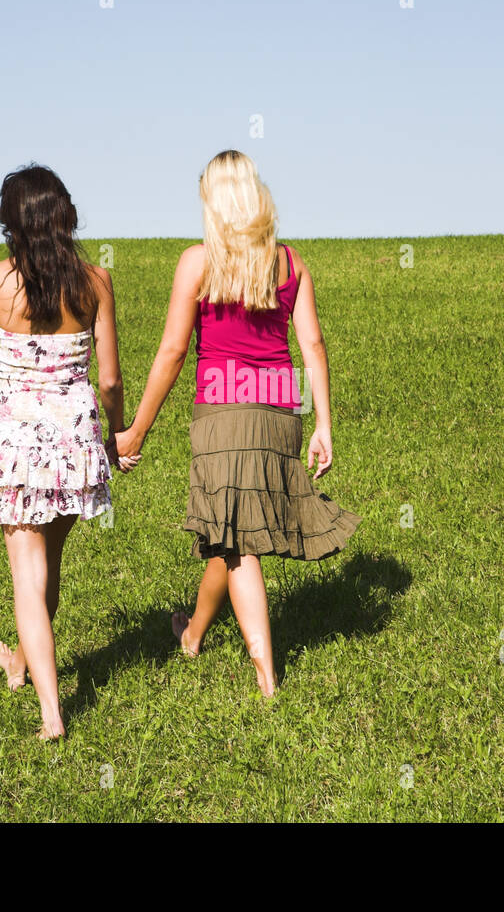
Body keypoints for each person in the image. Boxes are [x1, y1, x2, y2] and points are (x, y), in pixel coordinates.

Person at [116, 150, 360, 697]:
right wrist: (323, 423)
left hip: (223, 412)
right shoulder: (291, 264)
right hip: (279, 411)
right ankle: (192, 634)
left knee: (238, 546)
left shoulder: (198, 262)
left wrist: (136, 430)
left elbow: (173, 352)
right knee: (231, 527)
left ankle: (267, 676)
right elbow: (313, 345)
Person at [0, 163, 133, 740]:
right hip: (78, 440)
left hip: (18, 442)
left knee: (26, 576)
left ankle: (52, 714)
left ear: (10, 222)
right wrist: (116, 438)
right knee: (48, 568)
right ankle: (21, 661)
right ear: (66, 217)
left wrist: (11, 391)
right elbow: (109, 380)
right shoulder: (96, 281)